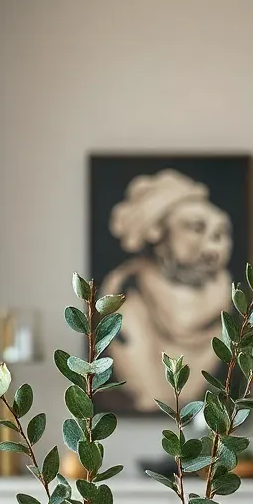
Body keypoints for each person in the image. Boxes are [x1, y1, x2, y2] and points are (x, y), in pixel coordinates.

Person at [98, 169, 234, 412]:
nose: (215, 243)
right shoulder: (124, 298)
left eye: (221, 232)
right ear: (158, 233)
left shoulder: (230, 303)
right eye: (196, 227)